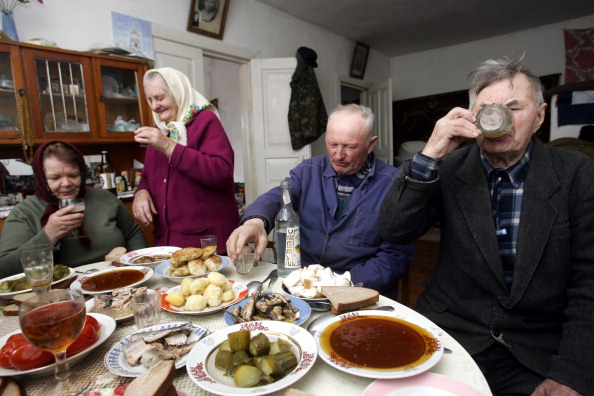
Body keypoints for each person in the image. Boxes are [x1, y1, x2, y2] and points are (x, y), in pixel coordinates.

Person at [379, 56, 594, 396]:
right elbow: (393, 228)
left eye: (514, 107)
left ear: (538, 117)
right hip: (452, 335)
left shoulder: (576, 173)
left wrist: (573, 374)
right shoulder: (449, 167)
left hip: (536, 351)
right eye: (486, 109)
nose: (499, 119)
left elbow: (589, 283)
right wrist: (430, 153)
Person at [227, 104, 414, 300]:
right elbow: (278, 197)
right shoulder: (308, 171)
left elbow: (394, 257)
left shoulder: (394, 185)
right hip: (304, 288)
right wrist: (255, 222)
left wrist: (341, 283)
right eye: (332, 144)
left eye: (350, 146)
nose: (339, 155)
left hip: (361, 292)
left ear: (371, 144)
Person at [0, 141, 146, 277]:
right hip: (61, 290)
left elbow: (133, 233)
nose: (66, 183)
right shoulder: (24, 212)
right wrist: (48, 235)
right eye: (55, 178)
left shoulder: (104, 197)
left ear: (82, 173)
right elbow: (5, 269)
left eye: (73, 175)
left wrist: (135, 266)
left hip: (119, 276)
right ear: (41, 179)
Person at [133, 67, 239, 253]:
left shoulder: (205, 121)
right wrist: (141, 192)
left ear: (177, 93)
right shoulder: (159, 130)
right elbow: (147, 177)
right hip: (168, 244)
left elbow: (221, 172)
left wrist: (168, 147)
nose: (154, 106)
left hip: (207, 243)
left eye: (160, 97)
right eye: (150, 100)